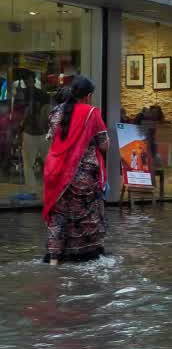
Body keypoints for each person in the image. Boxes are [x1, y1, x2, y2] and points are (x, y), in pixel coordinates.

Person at [42, 77, 108, 265]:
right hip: (83, 174)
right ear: (88, 96)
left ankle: (54, 259)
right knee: (85, 215)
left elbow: (51, 137)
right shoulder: (91, 113)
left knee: (58, 215)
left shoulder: (56, 111)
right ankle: (83, 256)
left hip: (56, 171)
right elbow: (104, 144)